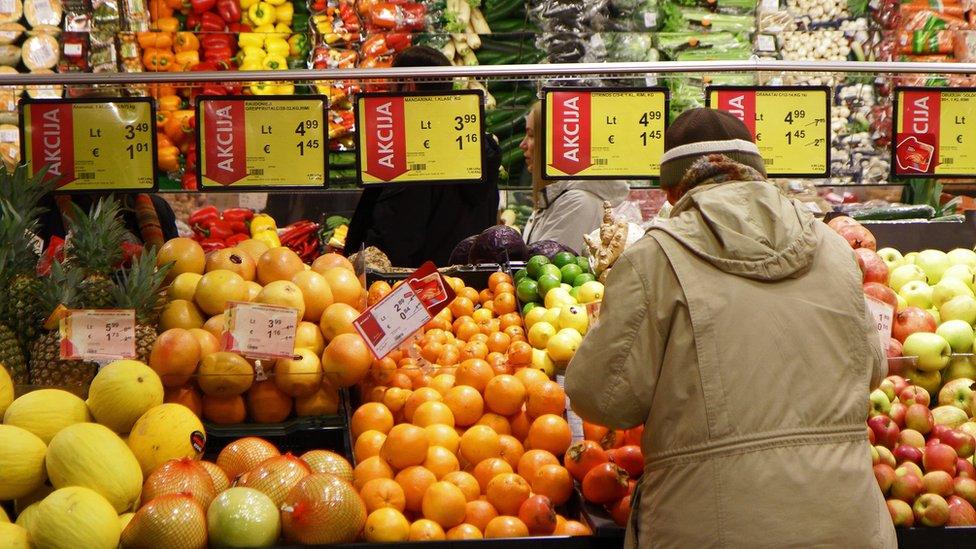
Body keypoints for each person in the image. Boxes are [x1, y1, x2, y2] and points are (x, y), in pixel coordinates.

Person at [564, 108, 895, 548]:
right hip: (849, 524)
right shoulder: (833, 248)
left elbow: (601, 399)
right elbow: (873, 368)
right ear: (758, 172)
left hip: (712, 526)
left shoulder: (652, 260)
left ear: (670, 189)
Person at [344, 46, 501, 267]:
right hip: (466, 288)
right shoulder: (475, 147)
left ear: (406, 84)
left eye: (390, 86)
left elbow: (394, 243)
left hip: (416, 290)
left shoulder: (417, 153)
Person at [520, 102, 629, 254]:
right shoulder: (557, 197)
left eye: (531, 135)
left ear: (553, 143)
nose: (522, 144)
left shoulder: (577, 203)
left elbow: (544, 269)